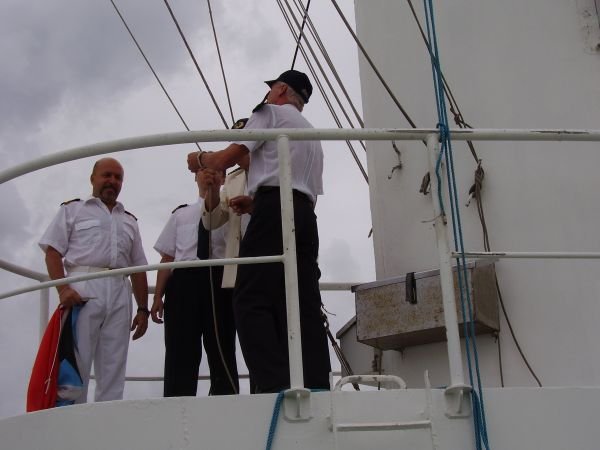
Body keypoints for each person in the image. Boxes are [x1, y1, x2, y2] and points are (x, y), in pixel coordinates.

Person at [187, 70, 331, 393]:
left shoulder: (269, 114)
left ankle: (272, 385)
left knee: (250, 297)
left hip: (274, 208)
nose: (267, 95)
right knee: (303, 302)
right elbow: (302, 188)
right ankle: (317, 384)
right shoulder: (312, 133)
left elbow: (226, 159)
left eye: (271, 90)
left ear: (280, 89)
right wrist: (256, 205)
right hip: (305, 216)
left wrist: (199, 158)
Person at [38, 157, 149, 403]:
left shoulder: (129, 220)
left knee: (114, 364)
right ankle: (71, 421)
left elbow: (139, 267)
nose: (112, 181)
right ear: (93, 178)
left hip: (120, 288)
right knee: (75, 363)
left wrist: (143, 309)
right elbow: (53, 251)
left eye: (118, 178)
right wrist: (63, 289)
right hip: (83, 284)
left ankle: (108, 423)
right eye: (107, 175)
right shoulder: (72, 210)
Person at [151, 169, 239, 396]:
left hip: (219, 278)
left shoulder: (232, 210)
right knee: (179, 350)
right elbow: (167, 257)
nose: (210, 175)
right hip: (184, 280)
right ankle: (177, 402)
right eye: (204, 170)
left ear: (224, 178)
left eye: (217, 170)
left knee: (222, 346)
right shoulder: (180, 214)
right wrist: (158, 295)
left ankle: (226, 401)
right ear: (195, 177)